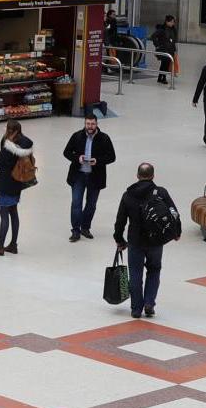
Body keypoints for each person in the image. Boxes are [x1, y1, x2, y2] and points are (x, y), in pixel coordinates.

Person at [111, 161, 177, 320]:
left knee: (135, 274)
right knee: (154, 270)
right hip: (156, 240)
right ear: (153, 176)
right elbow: (173, 213)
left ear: (137, 176)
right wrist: (176, 232)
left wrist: (119, 239)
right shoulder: (161, 193)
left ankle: (135, 309)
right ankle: (149, 303)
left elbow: (120, 220)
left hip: (135, 240)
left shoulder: (128, 195)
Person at [62, 109, 115, 242]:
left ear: (96, 124)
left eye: (92, 124)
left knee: (91, 204)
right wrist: (77, 158)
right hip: (78, 175)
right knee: (76, 203)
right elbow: (66, 152)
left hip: (95, 177)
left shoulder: (104, 138)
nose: (90, 126)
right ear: (84, 124)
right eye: (88, 124)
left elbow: (111, 157)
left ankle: (85, 227)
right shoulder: (77, 136)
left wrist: (97, 161)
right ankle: (75, 230)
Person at [0, 122, 35, 256]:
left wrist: (5, 146)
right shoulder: (25, 145)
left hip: (5, 183)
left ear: (10, 131)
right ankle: (13, 244)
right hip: (17, 183)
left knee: (4, 215)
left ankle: (0, 246)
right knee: (13, 212)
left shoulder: (9, 148)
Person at [151, 16, 178, 85]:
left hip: (170, 50)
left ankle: (160, 77)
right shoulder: (162, 29)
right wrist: (157, 45)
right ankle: (163, 77)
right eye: (171, 22)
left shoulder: (173, 30)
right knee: (164, 63)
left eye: (173, 22)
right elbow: (153, 36)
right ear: (167, 22)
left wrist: (175, 50)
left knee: (166, 64)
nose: (172, 23)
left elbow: (173, 41)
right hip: (163, 49)